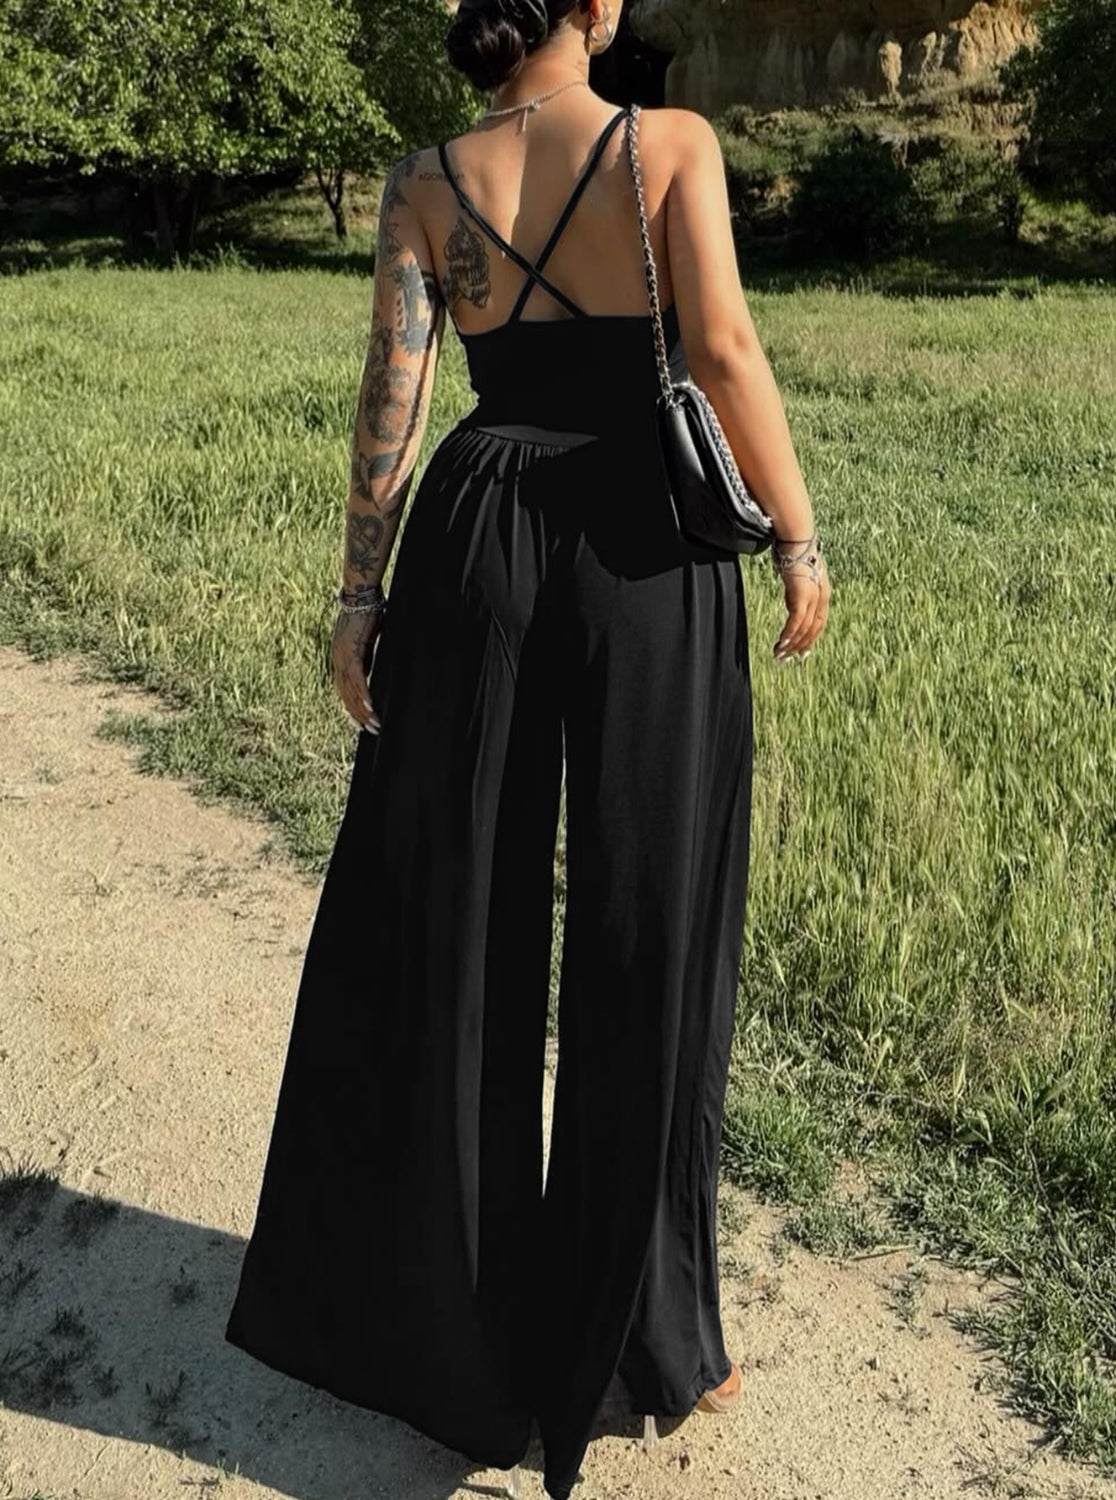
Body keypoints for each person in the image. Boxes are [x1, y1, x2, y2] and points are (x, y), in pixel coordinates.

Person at [224, 1, 831, 1497]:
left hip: (478, 524)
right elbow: (722, 346)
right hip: (646, 544)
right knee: (649, 922)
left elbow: (397, 390)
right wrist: (797, 535)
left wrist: (359, 594)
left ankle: (451, 1329)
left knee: (455, 911)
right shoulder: (667, 143)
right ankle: (656, 1336)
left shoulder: (424, 181)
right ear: (593, 8)